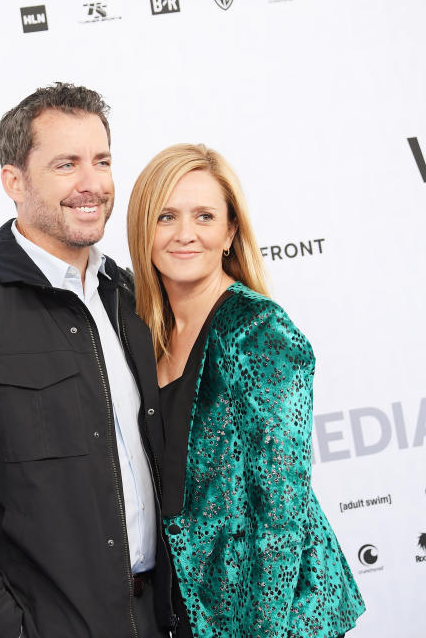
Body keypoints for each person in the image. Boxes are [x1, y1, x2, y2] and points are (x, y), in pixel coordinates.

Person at [0, 82, 176, 638]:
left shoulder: (124, 295)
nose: (91, 184)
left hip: (154, 618)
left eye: (102, 161)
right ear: (14, 181)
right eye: (65, 164)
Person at [125, 143, 365, 637]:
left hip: (274, 617)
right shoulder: (146, 337)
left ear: (230, 231)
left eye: (205, 216)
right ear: (142, 228)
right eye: (166, 216)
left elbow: (281, 511)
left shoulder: (258, 331)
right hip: (197, 609)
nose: (185, 234)